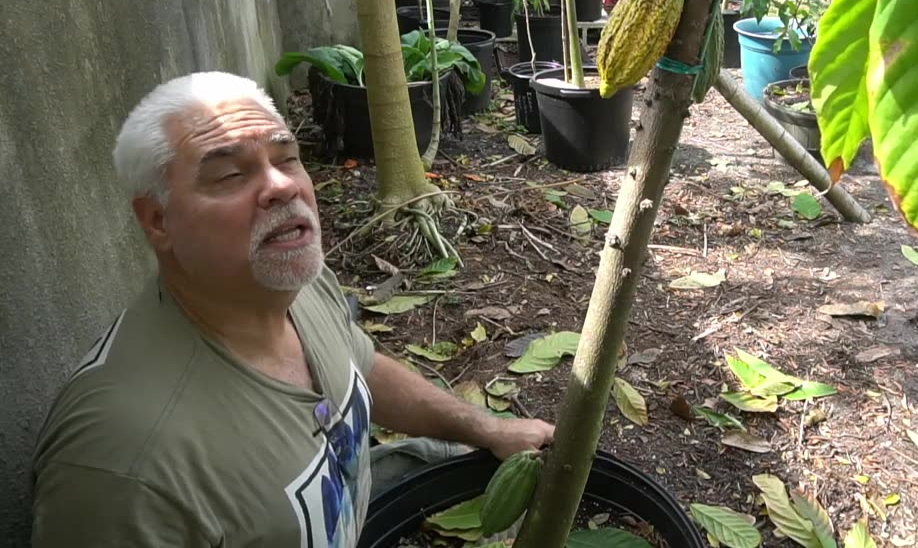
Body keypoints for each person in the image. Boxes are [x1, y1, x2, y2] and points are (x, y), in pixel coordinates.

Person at [29, 71, 554, 547]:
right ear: (157, 220)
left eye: (286, 159)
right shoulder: (122, 466)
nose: (281, 186)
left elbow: (358, 367)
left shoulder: (293, 286)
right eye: (231, 175)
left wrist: (486, 428)